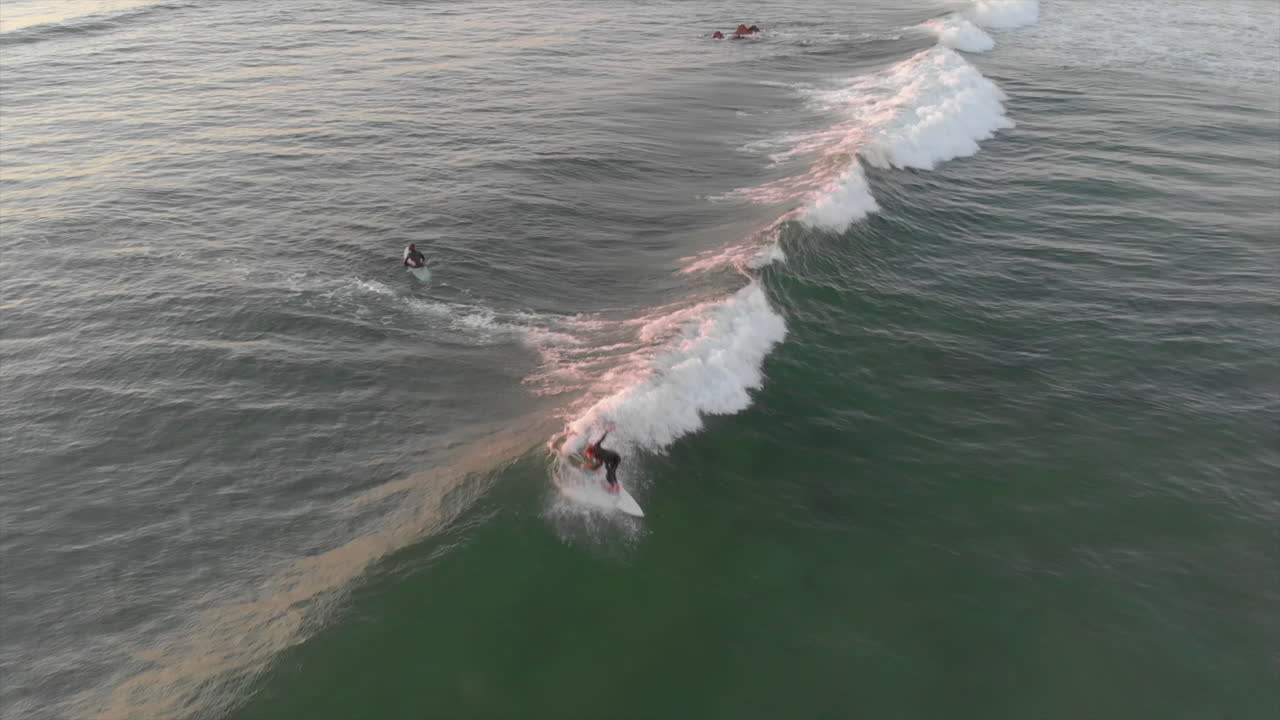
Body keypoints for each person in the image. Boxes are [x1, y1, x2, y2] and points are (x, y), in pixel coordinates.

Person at [582, 425, 621, 493]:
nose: (588, 457)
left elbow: (601, 464)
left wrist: (590, 467)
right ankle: (616, 486)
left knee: (609, 474)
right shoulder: (596, 447)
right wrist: (608, 430)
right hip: (613, 457)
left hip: (615, 458)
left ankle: (614, 487)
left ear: (591, 453)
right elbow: (602, 438)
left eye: (588, 455)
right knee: (611, 472)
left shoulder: (597, 451)